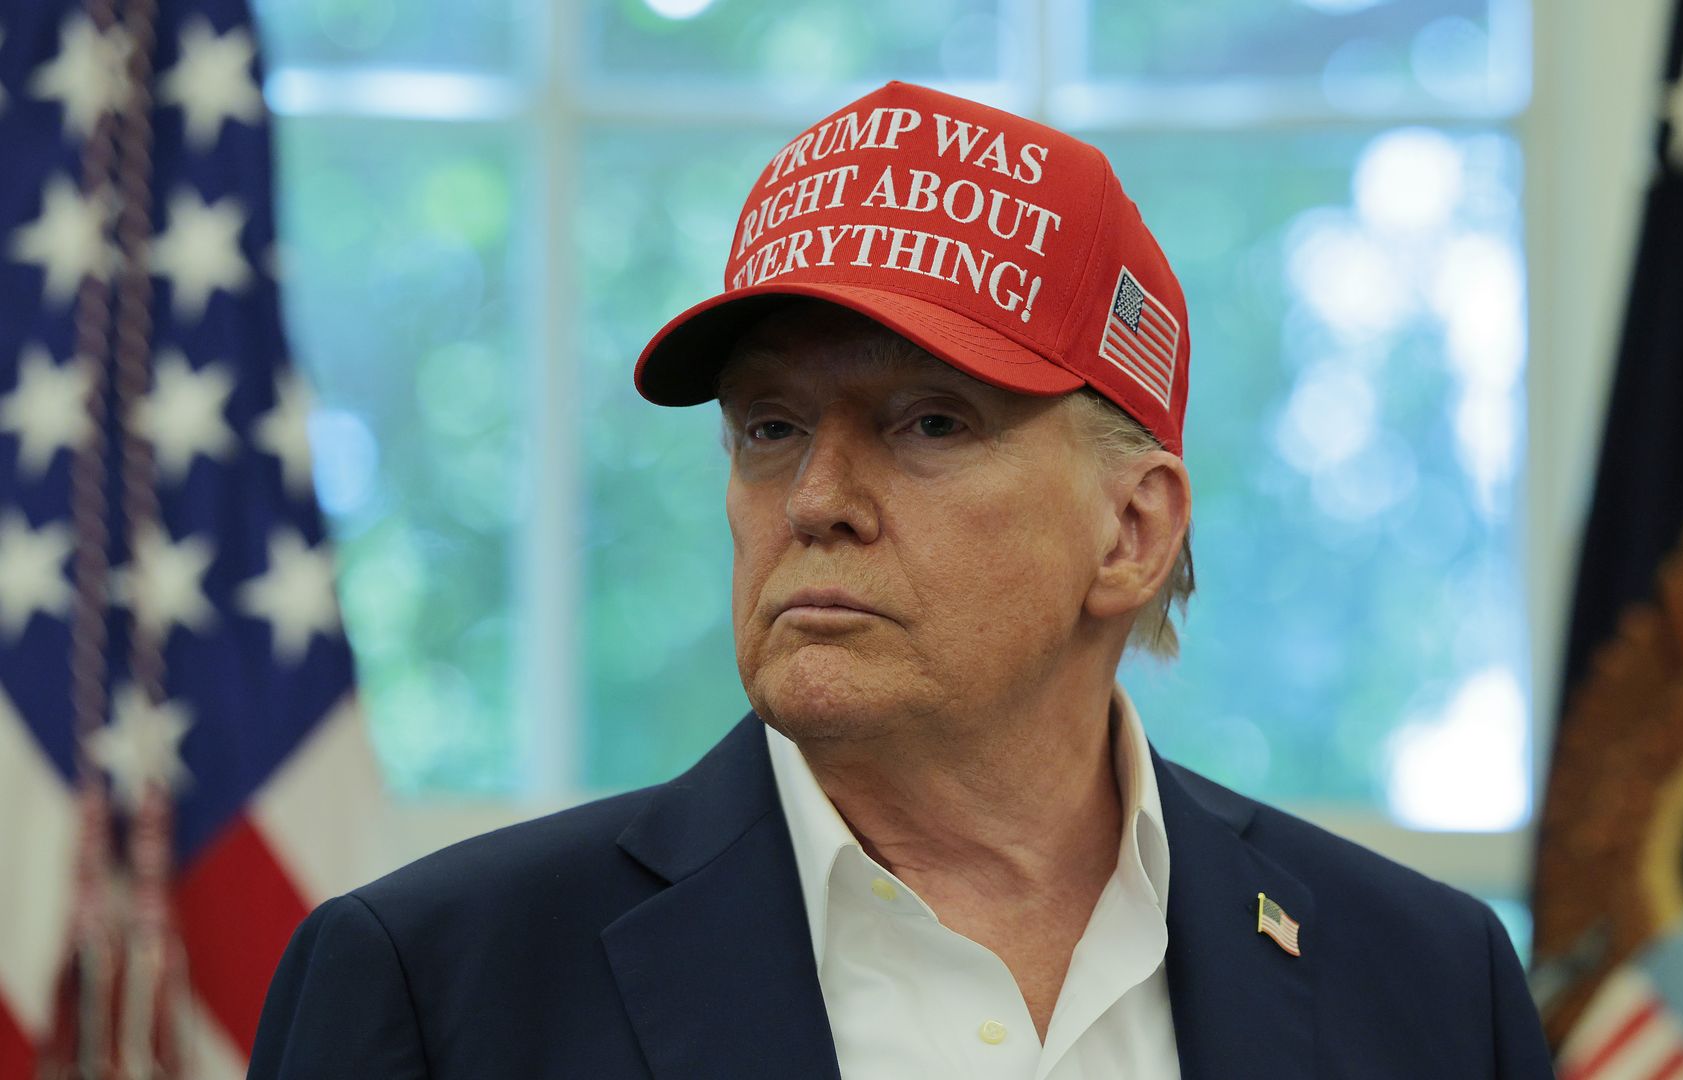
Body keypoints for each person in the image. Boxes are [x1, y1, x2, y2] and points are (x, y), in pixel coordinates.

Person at [248, 80, 1551, 1079]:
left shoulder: (1429, 987)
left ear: (1132, 531)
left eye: (930, 424)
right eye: (771, 429)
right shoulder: (440, 988)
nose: (815, 501)